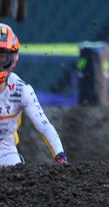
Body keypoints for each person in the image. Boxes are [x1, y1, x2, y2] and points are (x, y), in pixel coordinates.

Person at [0, 24, 67, 166]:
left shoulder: (21, 90)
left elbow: (44, 126)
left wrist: (60, 157)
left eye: (1, 55)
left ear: (12, 57)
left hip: (6, 154)